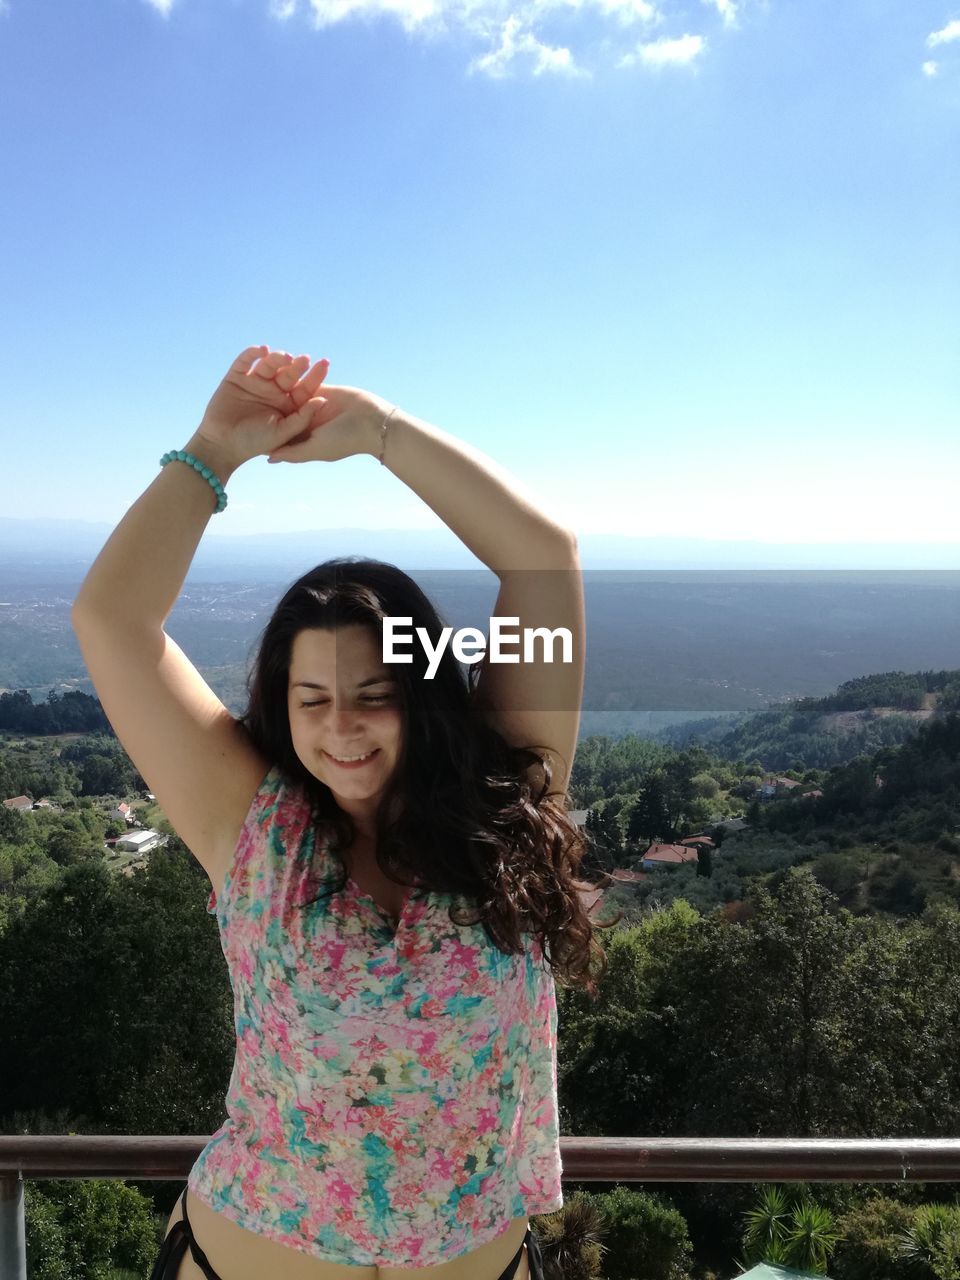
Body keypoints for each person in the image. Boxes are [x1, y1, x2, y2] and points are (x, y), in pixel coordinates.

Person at [71, 346, 614, 1280]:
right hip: (244, 1255)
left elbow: (542, 557)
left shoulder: (511, 804)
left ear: (426, 692)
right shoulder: (253, 828)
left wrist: (381, 433)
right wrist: (213, 451)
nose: (344, 727)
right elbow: (112, 620)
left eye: (376, 692)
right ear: (280, 708)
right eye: (311, 698)